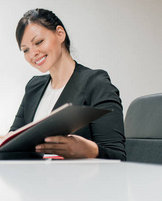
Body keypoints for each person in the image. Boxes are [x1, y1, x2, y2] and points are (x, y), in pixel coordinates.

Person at [10, 8, 126, 160]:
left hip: (80, 181)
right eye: (25, 50)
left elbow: (118, 157)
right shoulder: (34, 87)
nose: (33, 54)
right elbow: (13, 138)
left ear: (60, 34)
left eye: (38, 42)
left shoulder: (95, 83)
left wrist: (90, 150)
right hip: (34, 179)